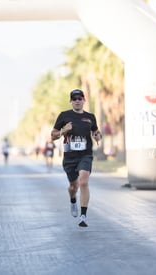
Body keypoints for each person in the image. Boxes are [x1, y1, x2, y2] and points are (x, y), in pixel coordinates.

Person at [51, 89, 102, 227]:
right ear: (71, 101)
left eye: (80, 98)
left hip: (85, 154)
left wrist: (98, 136)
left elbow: (96, 131)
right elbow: (53, 135)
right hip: (70, 157)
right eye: (74, 99)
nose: (77, 101)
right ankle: (73, 200)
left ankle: (83, 216)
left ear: (84, 100)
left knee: (83, 181)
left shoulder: (90, 117)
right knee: (73, 186)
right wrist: (63, 131)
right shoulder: (64, 116)